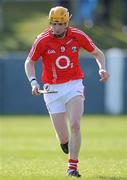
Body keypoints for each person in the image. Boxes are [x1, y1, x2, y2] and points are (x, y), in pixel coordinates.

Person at [24, 6, 109, 178]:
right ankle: (67, 144)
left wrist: (102, 69)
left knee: (75, 124)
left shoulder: (77, 35)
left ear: (66, 23)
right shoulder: (42, 40)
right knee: (63, 138)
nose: (56, 28)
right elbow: (29, 63)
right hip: (51, 89)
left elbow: (98, 54)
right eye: (54, 24)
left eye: (60, 24)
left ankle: (72, 167)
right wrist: (33, 82)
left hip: (73, 85)